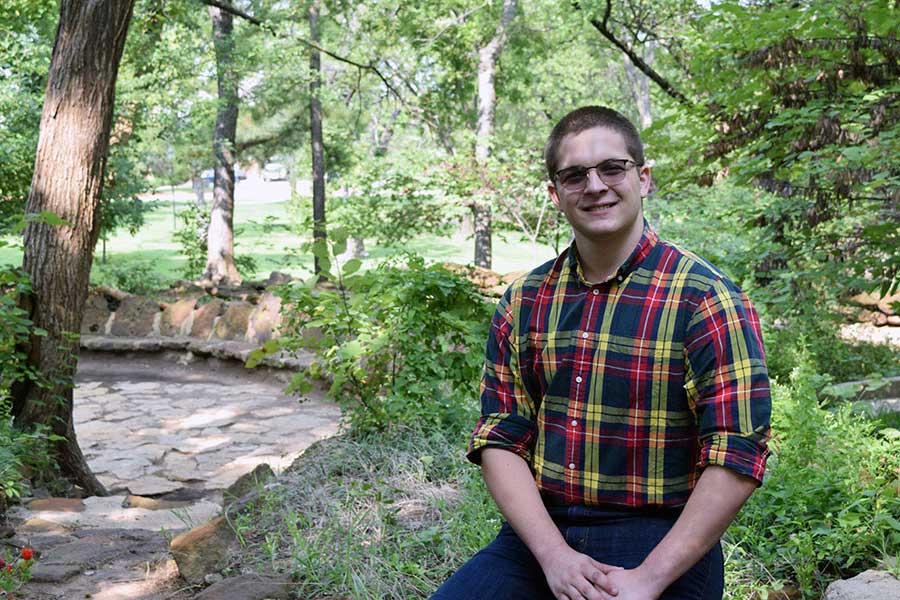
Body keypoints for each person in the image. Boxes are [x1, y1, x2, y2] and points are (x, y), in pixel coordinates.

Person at [431, 106, 772, 600]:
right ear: (555, 194)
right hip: (542, 539)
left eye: (612, 168)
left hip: (661, 538)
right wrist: (554, 557)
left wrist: (648, 580)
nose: (595, 186)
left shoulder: (705, 298)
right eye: (575, 175)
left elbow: (737, 452)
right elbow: (501, 438)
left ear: (644, 178)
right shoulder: (526, 299)